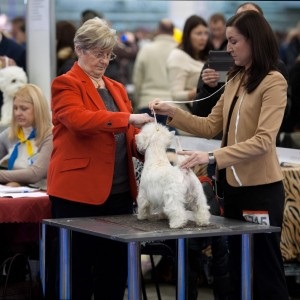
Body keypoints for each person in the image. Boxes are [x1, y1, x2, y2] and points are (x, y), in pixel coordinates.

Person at [150, 10, 289, 300]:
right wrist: (172, 113)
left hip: (261, 192)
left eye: (234, 41)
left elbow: (264, 140)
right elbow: (209, 125)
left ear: (254, 41)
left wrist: (213, 158)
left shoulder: (274, 81)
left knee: (265, 270)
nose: (228, 49)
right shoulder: (237, 79)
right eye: (227, 41)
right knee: (238, 271)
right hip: (233, 191)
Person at [47, 17, 153, 300]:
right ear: (79, 49)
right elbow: (80, 120)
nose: (104, 60)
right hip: (77, 195)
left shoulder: (117, 88)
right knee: (77, 273)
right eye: (98, 53)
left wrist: (153, 147)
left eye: (108, 54)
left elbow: (129, 137)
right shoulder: (65, 84)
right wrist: (128, 117)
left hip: (118, 195)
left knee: (114, 272)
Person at [0, 83, 52, 189]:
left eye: (23, 109)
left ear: (38, 109)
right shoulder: (9, 134)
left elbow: (35, 174)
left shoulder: (50, 135)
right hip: (14, 188)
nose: (18, 113)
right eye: (15, 108)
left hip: (41, 191)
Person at [132, 19, 177, 127]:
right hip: (172, 106)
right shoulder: (179, 50)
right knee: (171, 142)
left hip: (147, 103)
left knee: (147, 142)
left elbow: (137, 79)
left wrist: (137, 103)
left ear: (158, 30)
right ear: (173, 32)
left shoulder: (146, 49)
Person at [167, 15, 212, 114]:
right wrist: (201, 90)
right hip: (185, 118)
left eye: (205, 33)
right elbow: (175, 95)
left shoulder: (202, 56)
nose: (203, 38)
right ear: (188, 35)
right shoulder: (178, 56)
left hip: (201, 117)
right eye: (198, 33)